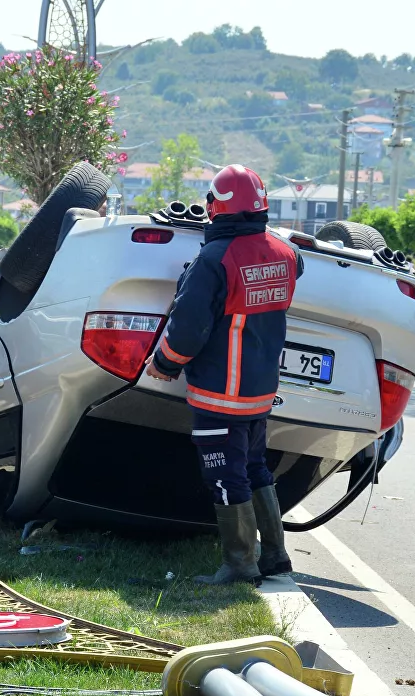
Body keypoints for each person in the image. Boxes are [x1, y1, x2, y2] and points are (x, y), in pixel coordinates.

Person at [144, 164, 303, 586]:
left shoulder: (214, 259)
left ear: (217, 206)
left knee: (225, 474)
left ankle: (239, 564)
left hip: (220, 392)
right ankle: (274, 556)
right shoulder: (286, 254)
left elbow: (189, 327)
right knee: (255, 468)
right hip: (259, 391)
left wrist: (165, 363)